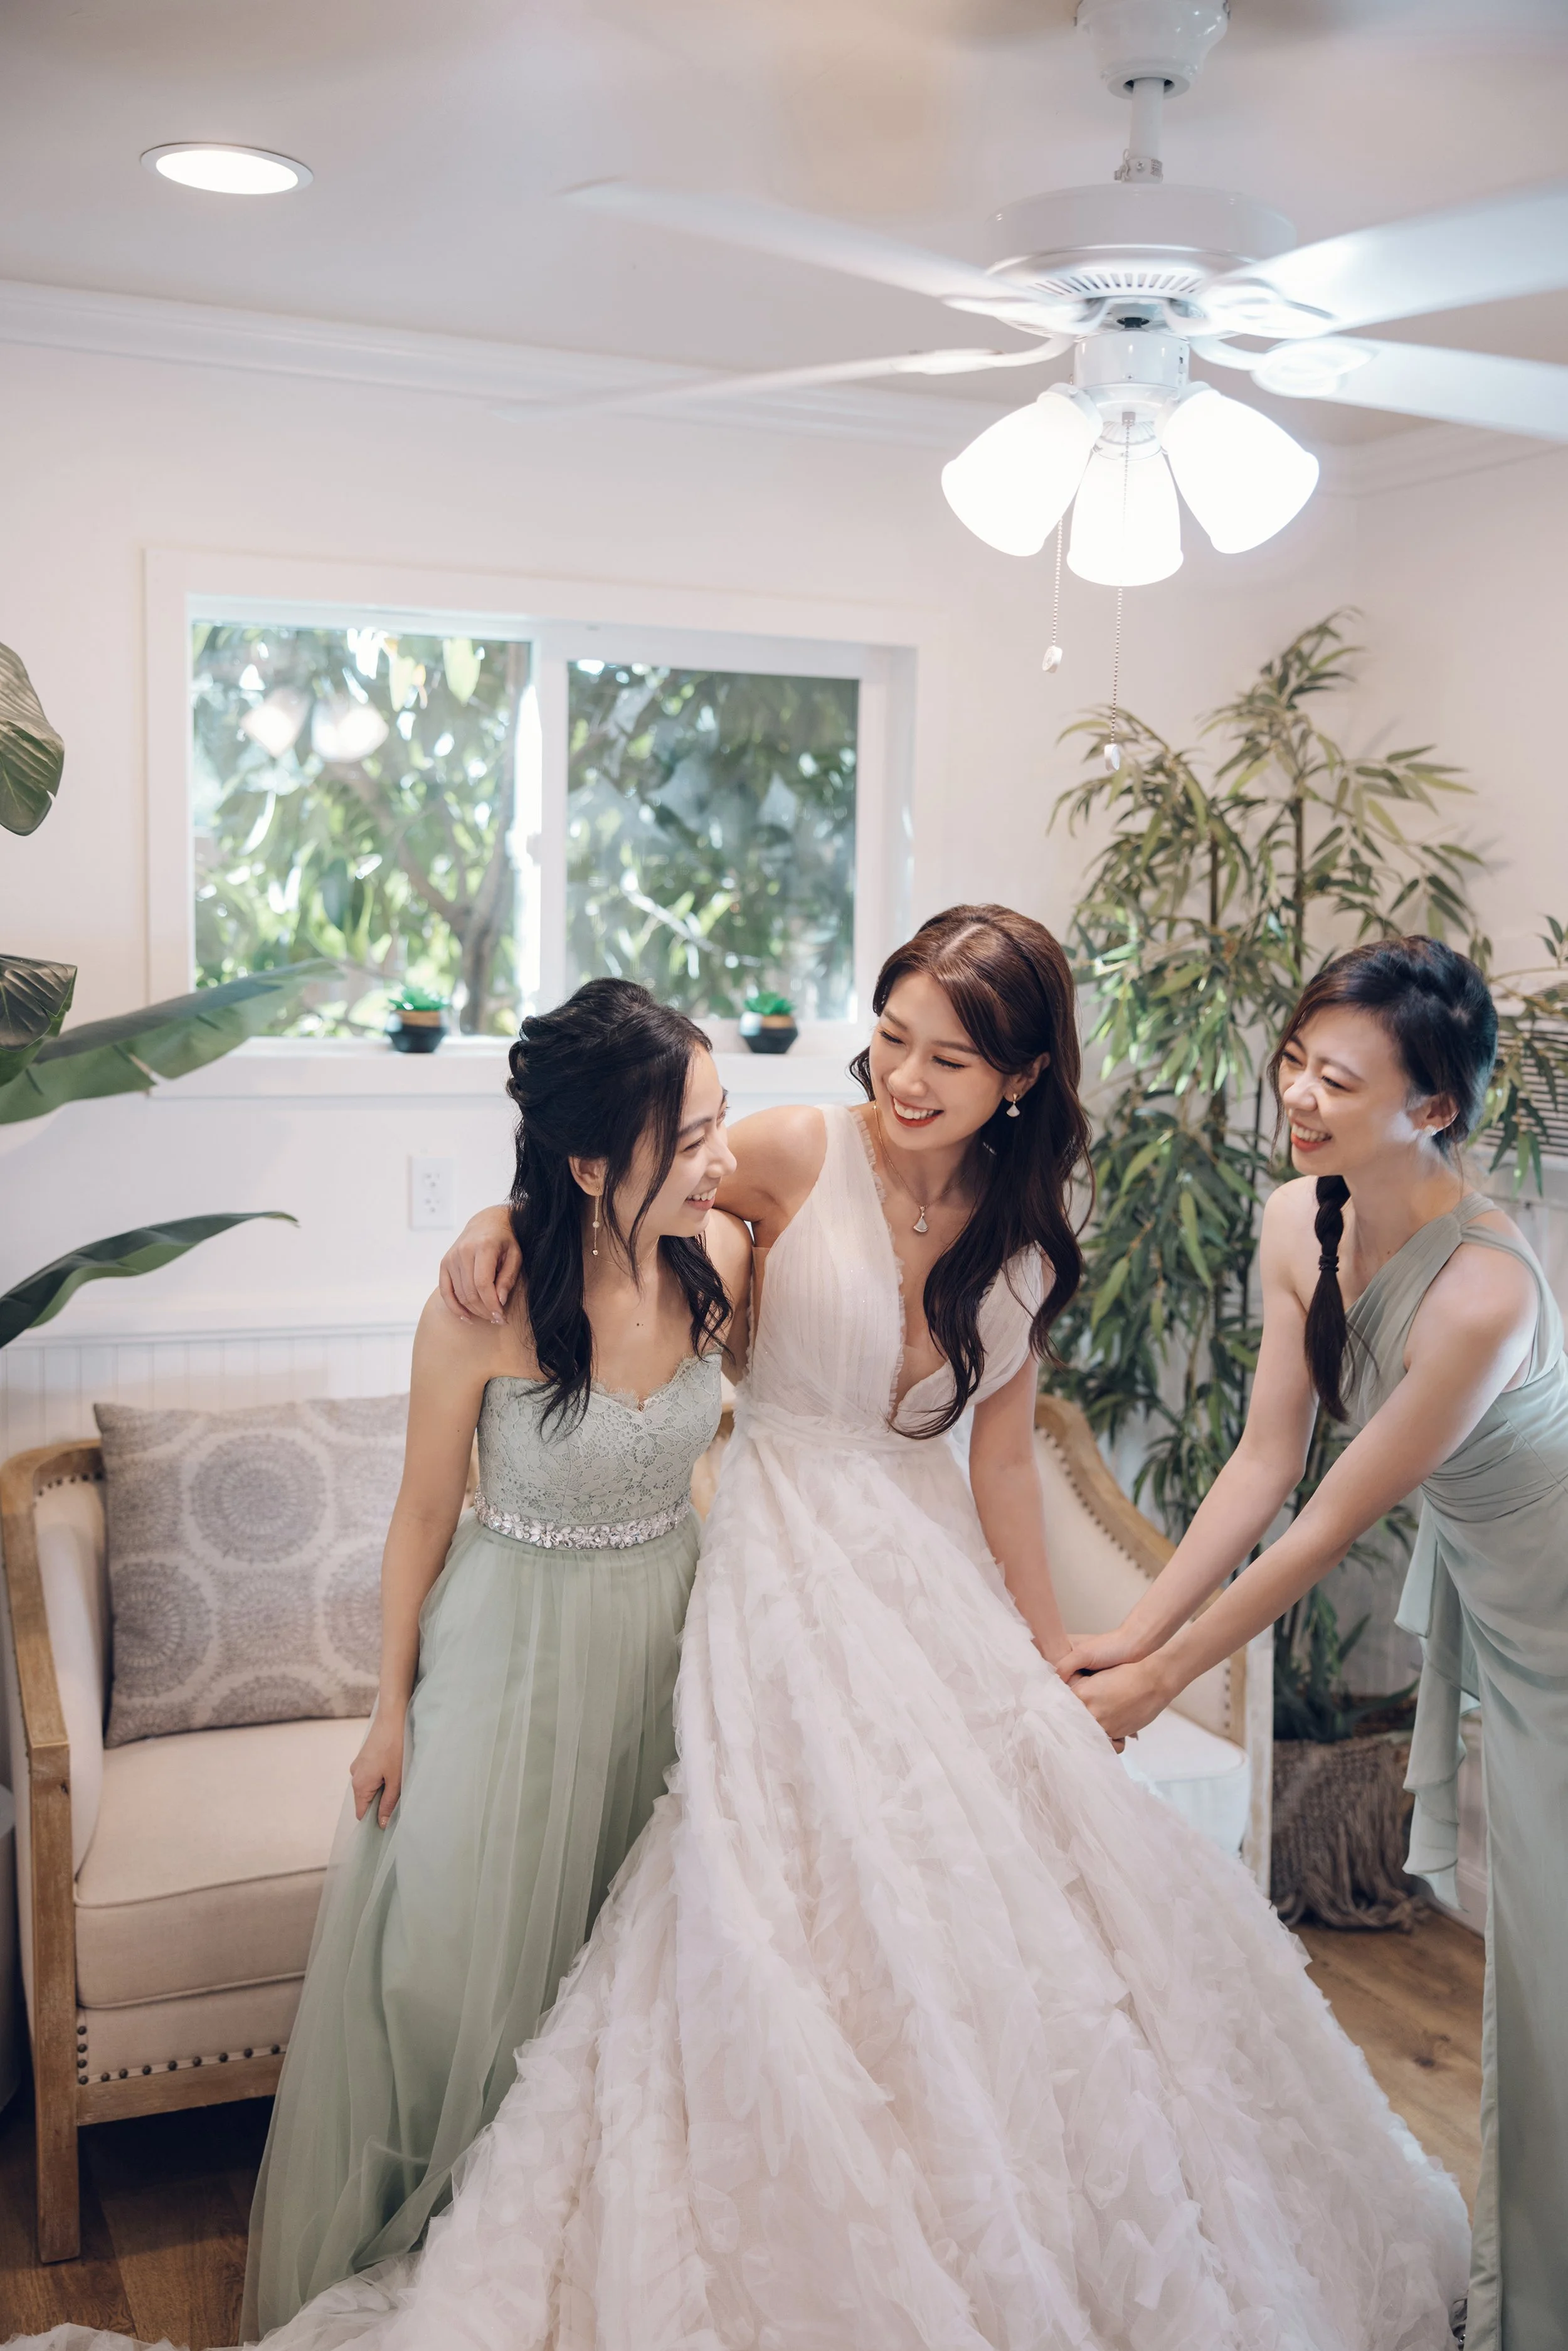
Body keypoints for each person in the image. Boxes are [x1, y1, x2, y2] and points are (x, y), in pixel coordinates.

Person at [11, 913, 1467, 2351]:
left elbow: (1004, 1459)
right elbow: (627, 1208)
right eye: (890, 1036)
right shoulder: (786, 1149)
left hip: (920, 1568)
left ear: (1018, 1079)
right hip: (771, 1558)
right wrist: (492, 1217)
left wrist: (1048, 1652)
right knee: (775, 1883)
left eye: (947, 1059)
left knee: (990, 1897)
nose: (902, 1076)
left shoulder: (1033, 1226)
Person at [1059, 935, 1565, 2351]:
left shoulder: (1482, 1290)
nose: (1294, 1090)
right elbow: (1262, 1464)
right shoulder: (1298, 1215)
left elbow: (1329, 1523)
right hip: (1506, 1607)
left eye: (1335, 1077)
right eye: (1292, 1058)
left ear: (1433, 1108)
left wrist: (1158, 1685)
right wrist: (1132, 1628)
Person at [243, 980, 749, 2333]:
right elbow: (417, 1516)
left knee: (624, 1967)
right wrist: (385, 1707)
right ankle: (457, 2251)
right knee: (457, 1971)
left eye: (719, 1121)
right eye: (689, 1137)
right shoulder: (483, 1304)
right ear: (590, 1162)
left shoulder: (722, 1261)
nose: (722, 1158)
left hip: (667, 1652)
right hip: (509, 1656)